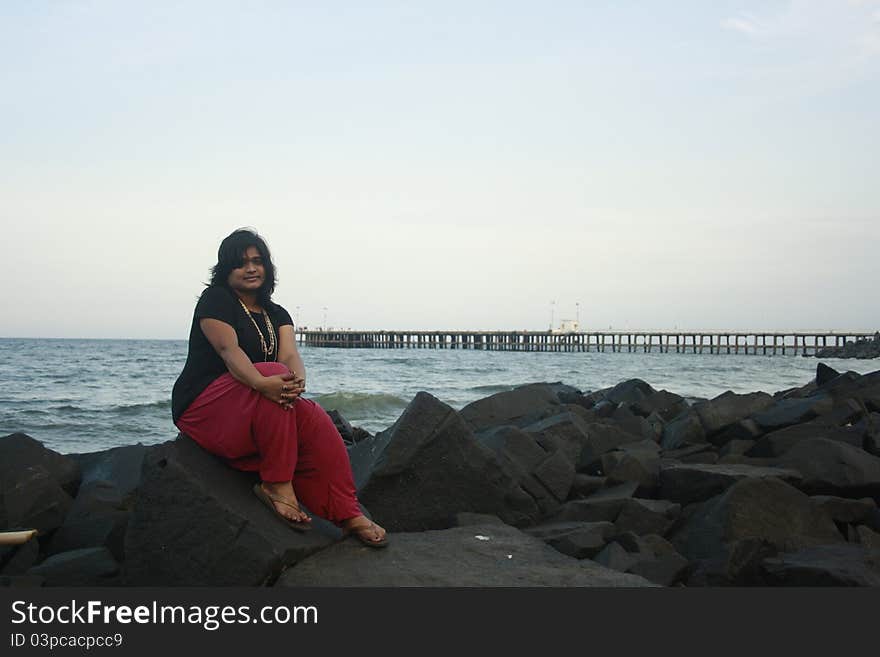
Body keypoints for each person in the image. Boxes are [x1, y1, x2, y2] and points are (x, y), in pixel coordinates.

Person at [171, 228, 387, 547]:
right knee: (274, 374)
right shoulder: (216, 300)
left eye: (257, 261)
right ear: (224, 270)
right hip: (204, 406)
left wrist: (297, 381)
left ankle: (346, 511)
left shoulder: (277, 313)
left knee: (314, 416)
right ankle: (276, 484)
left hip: (255, 404)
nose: (251, 268)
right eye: (240, 263)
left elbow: (289, 355)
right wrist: (263, 381)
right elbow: (229, 351)